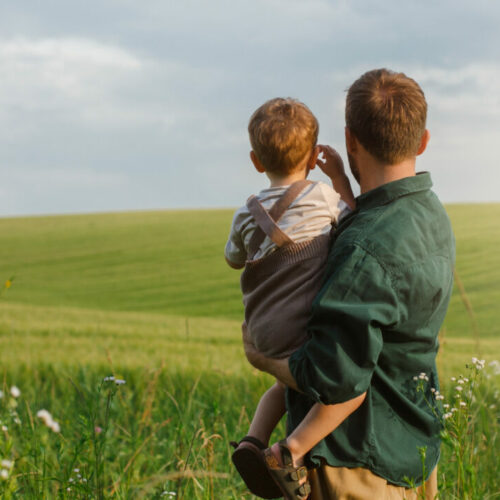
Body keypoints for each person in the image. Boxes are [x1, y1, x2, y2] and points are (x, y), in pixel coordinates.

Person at [243, 68, 455, 499]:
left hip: (355, 465)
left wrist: (262, 358)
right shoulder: (430, 214)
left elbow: (333, 378)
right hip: (412, 451)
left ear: (350, 140)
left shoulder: (362, 248)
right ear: (423, 141)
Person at [225, 97, 357, 499]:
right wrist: (340, 179)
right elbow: (354, 218)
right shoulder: (321, 197)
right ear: (314, 154)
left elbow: (233, 260)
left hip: (262, 330)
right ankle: (290, 451)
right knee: (349, 388)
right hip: (303, 329)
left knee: (284, 388)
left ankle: (253, 440)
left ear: (255, 160)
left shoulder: (246, 213)